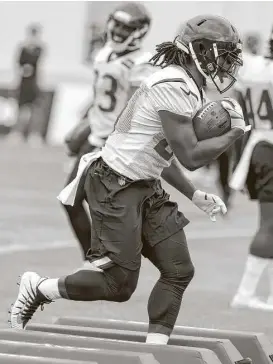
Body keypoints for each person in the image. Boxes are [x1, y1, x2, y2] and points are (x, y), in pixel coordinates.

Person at [10, 15, 249, 343]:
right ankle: (39, 288)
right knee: (118, 285)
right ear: (200, 50)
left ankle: (157, 351)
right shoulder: (174, 85)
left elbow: (158, 156)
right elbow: (191, 156)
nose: (227, 62)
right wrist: (235, 133)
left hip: (143, 182)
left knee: (178, 270)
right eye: (223, 53)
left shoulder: (186, 85)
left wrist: (194, 195)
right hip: (115, 184)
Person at [62, 2, 154, 260]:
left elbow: (135, 107)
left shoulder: (140, 63)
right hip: (94, 140)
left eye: (126, 27)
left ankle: (103, 259)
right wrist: (85, 122)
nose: (118, 31)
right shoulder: (103, 55)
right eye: (117, 24)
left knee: (101, 207)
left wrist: (117, 141)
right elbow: (100, 97)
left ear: (139, 31)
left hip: (112, 146)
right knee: (72, 200)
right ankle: (96, 258)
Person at [230, 28, 273, 311]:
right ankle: (245, 294)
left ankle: (259, 295)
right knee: (269, 225)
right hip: (269, 147)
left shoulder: (254, 67)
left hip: (259, 144)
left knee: (269, 224)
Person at [7, 23, 44, 146]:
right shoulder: (23, 49)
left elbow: (35, 63)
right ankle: (17, 133)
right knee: (21, 110)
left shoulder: (38, 49)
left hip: (34, 84)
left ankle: (34, 135)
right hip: (24, 84)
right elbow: (19, 65)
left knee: (35, 111)